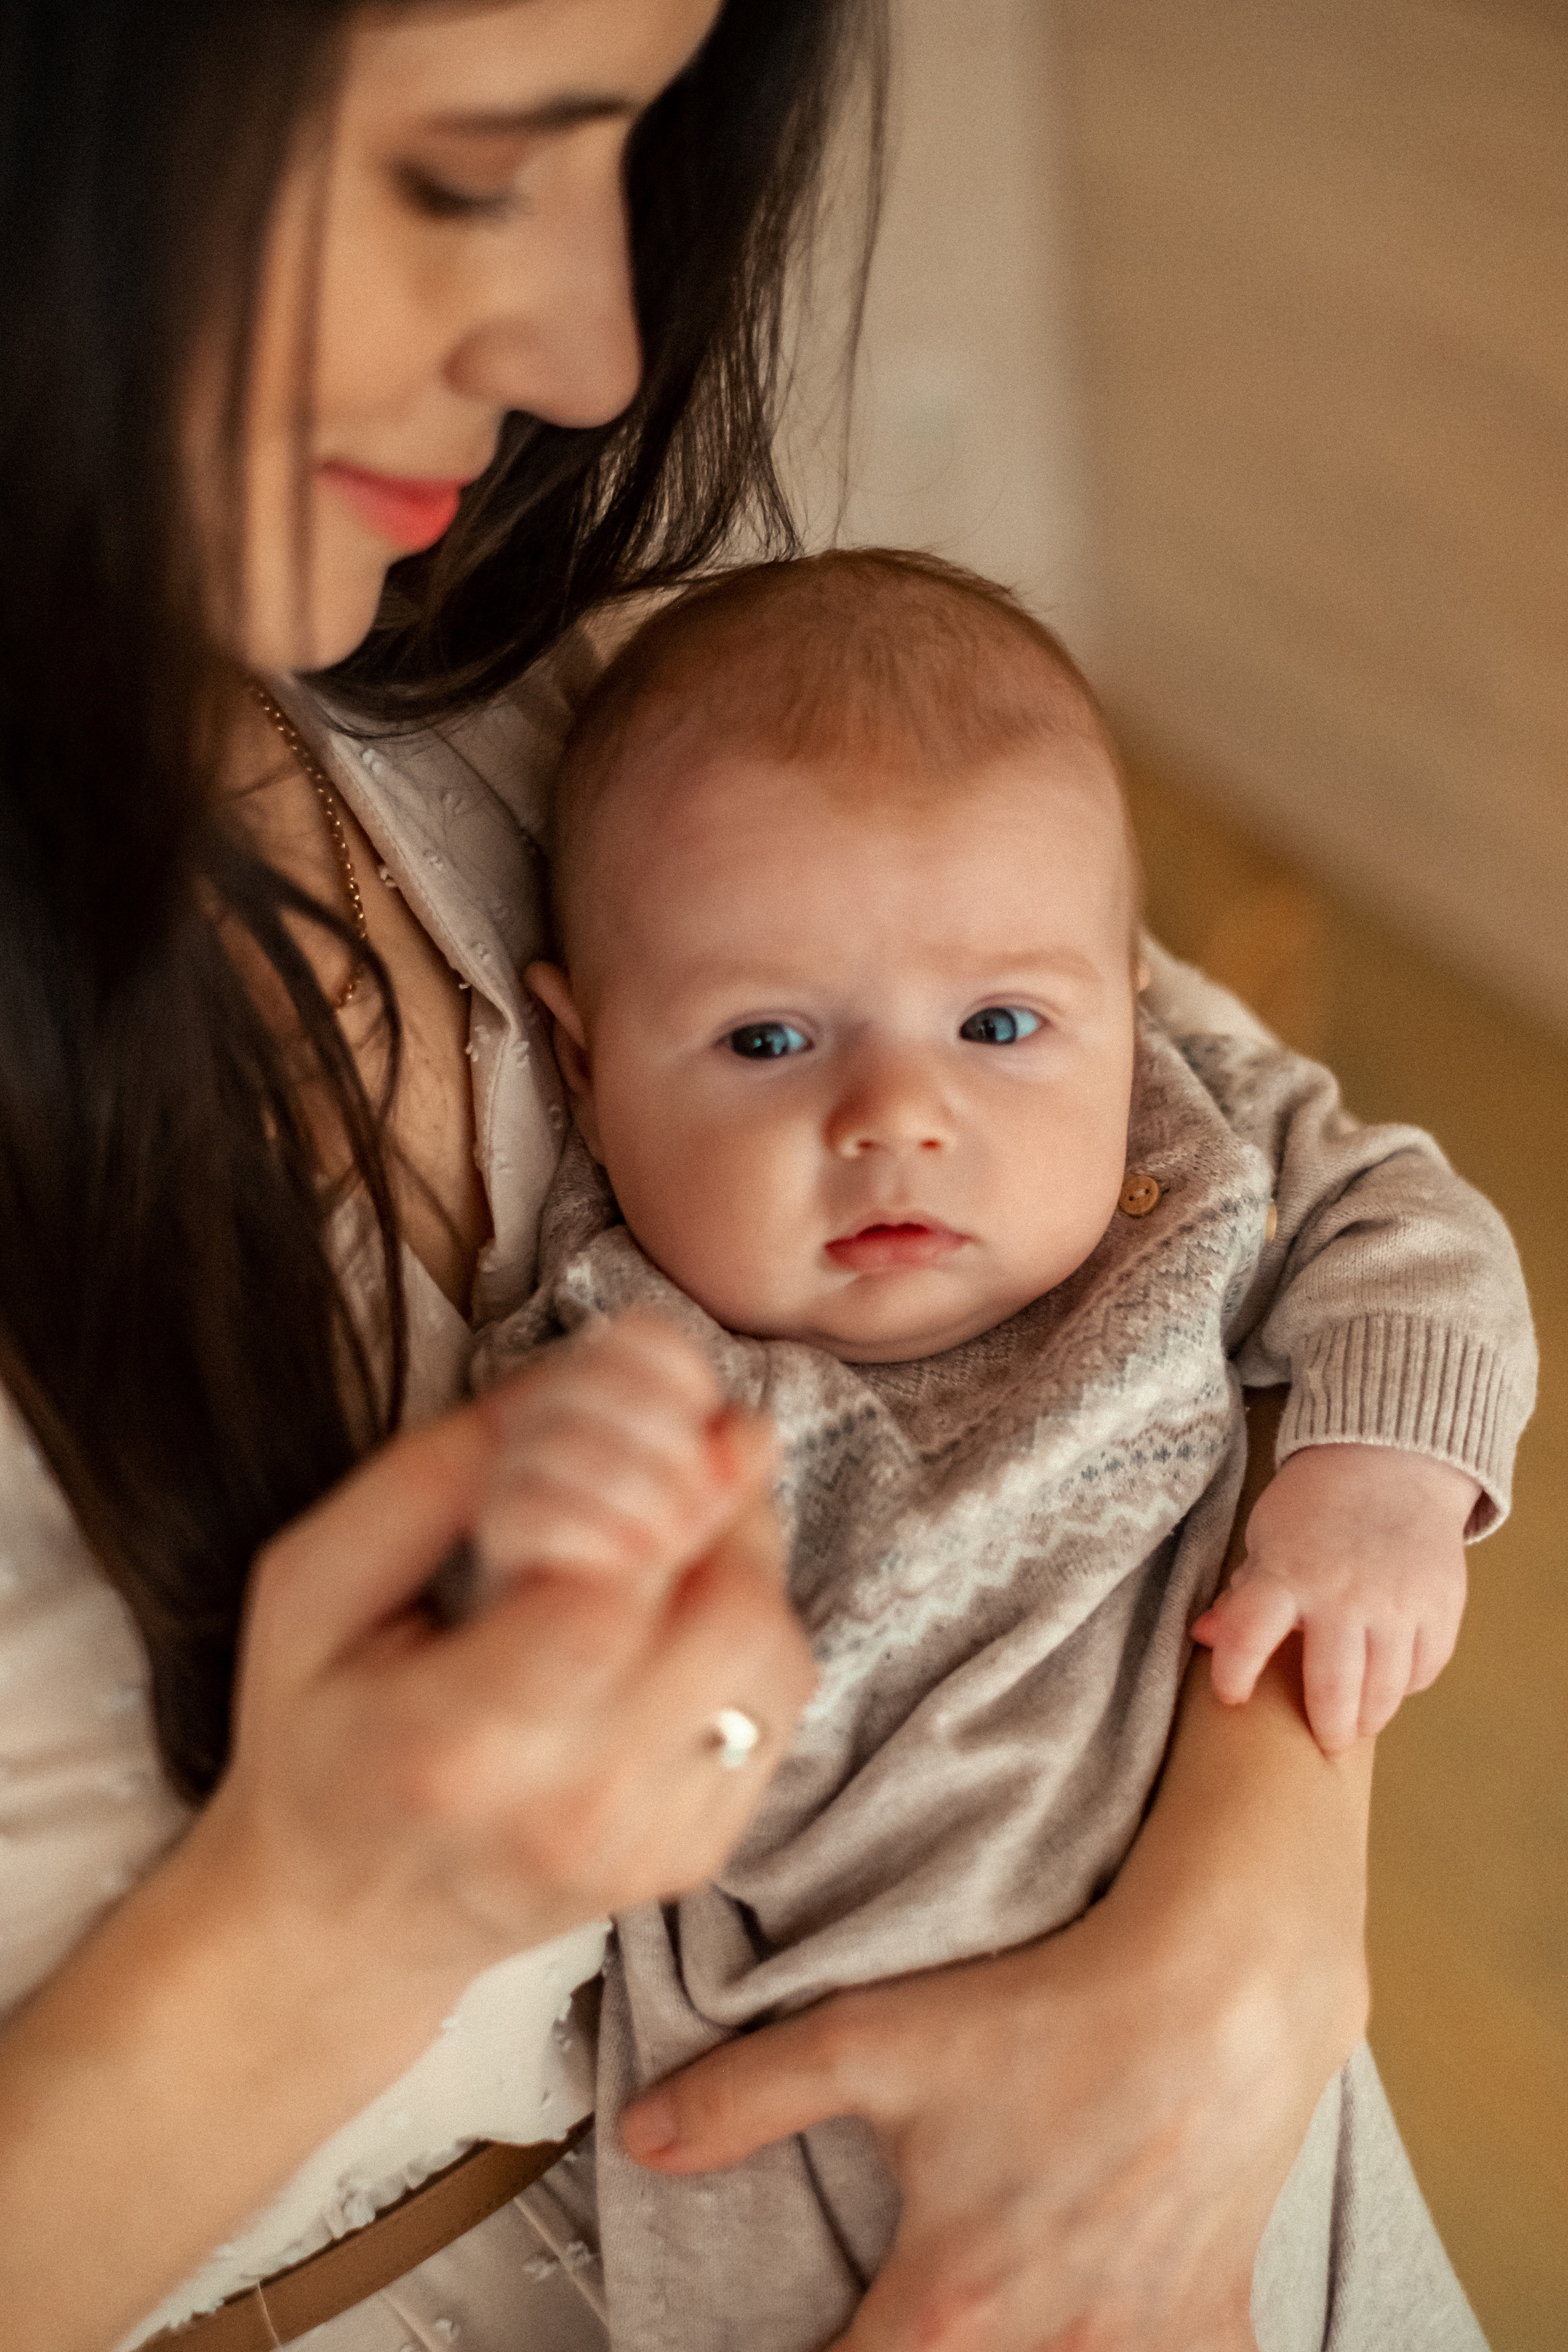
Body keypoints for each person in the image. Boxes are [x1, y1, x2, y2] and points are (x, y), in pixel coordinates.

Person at [0, 6, 1501, 2350]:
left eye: (630, 152)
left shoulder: (561, 694)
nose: (598, 355)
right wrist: (325, 1921)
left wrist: (1252, 1918)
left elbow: (1290, 1220)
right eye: (468, 170)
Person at [471, 549, 1531, 2349]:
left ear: (1126, 996)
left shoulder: (1179, 1155)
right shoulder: (612, 1343)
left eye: (1000, 1026)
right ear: (580, 1057)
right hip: (818, 2145)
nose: (898, 1115)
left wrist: (1375, 1485)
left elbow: (1414, 1226)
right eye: (769, 1037)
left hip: (1258, 2122)